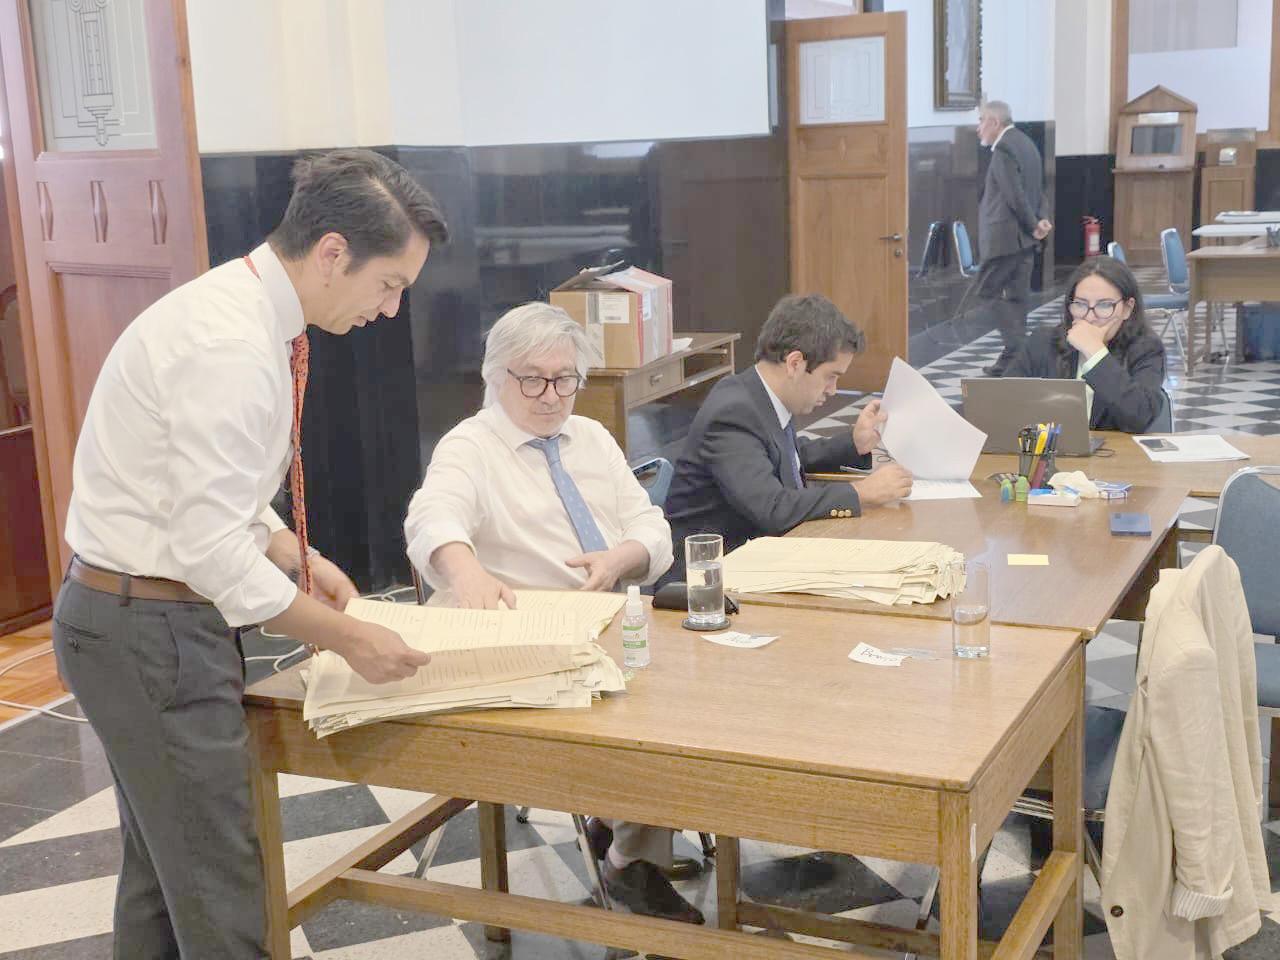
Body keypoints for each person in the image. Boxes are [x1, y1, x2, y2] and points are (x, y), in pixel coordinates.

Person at [54, 149, 446, 958]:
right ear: (332, 252)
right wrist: (350, 636)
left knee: (164, 879)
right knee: (220, 890)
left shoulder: (240, 313)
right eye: (388, 285)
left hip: (131, 616)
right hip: (149, 629)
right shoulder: (227, 345)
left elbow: (203, 489)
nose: (390, 310)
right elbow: (208, 552)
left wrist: (289, 550)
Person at [403, 303, 699, 924]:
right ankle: (630, 858)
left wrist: (619, 557)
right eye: (533, 380)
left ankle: (628, 828)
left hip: (609, 617)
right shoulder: (471, 446)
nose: (551, 396)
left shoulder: (590, 437)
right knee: (648, 713)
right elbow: (433, 517)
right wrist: (465, 571)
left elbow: (653, 528)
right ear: (496, 377)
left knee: (698, 691)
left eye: (565, 379)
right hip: (530, 640)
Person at [662, 293, 913, 584]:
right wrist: (860, 493)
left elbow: (787, 457)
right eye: (830, 376)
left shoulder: (760, 395)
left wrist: (854, 444)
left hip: (757, 558)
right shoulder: (733, 412)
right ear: (795, 363)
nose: (833, 390)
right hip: (708, 582)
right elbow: (772, 507)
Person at [1003, 255, 1166, 432]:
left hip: (1114, 450)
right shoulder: (1043, 342)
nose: (1089, 317)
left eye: (1104, 306)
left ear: (1127, 308)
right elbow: (1004, 401)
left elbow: (1140, 417)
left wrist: (1096, 353)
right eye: (1080, 305)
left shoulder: (1145, 349)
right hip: (1051, 447)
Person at [974, 100, 1053, 376]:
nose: (978, 128)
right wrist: (1040, 220)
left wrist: (1033, 224)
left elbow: (1014, 195)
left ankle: (1018, 347)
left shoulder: (1004, 149)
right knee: (1018, 297)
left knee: (987, 291)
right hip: (1025, 240)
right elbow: (1039, 191)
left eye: (981, 120)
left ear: (995, 122)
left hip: (1004, 240)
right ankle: (1012, 359)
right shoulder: (1027, 144)